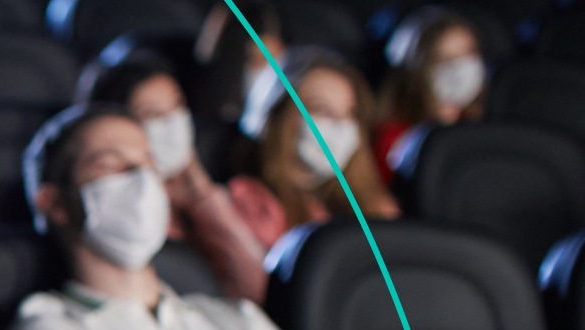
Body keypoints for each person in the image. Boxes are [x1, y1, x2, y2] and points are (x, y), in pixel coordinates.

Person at [0, 105, 328, 330]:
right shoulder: (47, 326)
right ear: (54, 203)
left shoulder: (242, 320)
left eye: (148, 164)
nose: (140, 180)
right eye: (111, 166)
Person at [80, 48, 269, 303]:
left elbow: (259, 290)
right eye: (153, 115)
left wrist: (203, 194)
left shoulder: (209, 200)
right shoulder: (124, 216)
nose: (173, 123)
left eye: (178, 107)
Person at [227, 47, 400, 252]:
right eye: (321, 109)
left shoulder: (374, 208)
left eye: (349, 114)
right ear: (277, 115)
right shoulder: (250, 203)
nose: (339, 125)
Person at [373, 7, 486, 183]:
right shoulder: (395, 139)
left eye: (468, 55)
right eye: (445, 59)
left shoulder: (480, 127)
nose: (459, 68)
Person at [191, 0, 284, 178]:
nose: (269, 72)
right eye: (255, 60)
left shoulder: (286, 125)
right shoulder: (207, 138)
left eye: (275, 61)